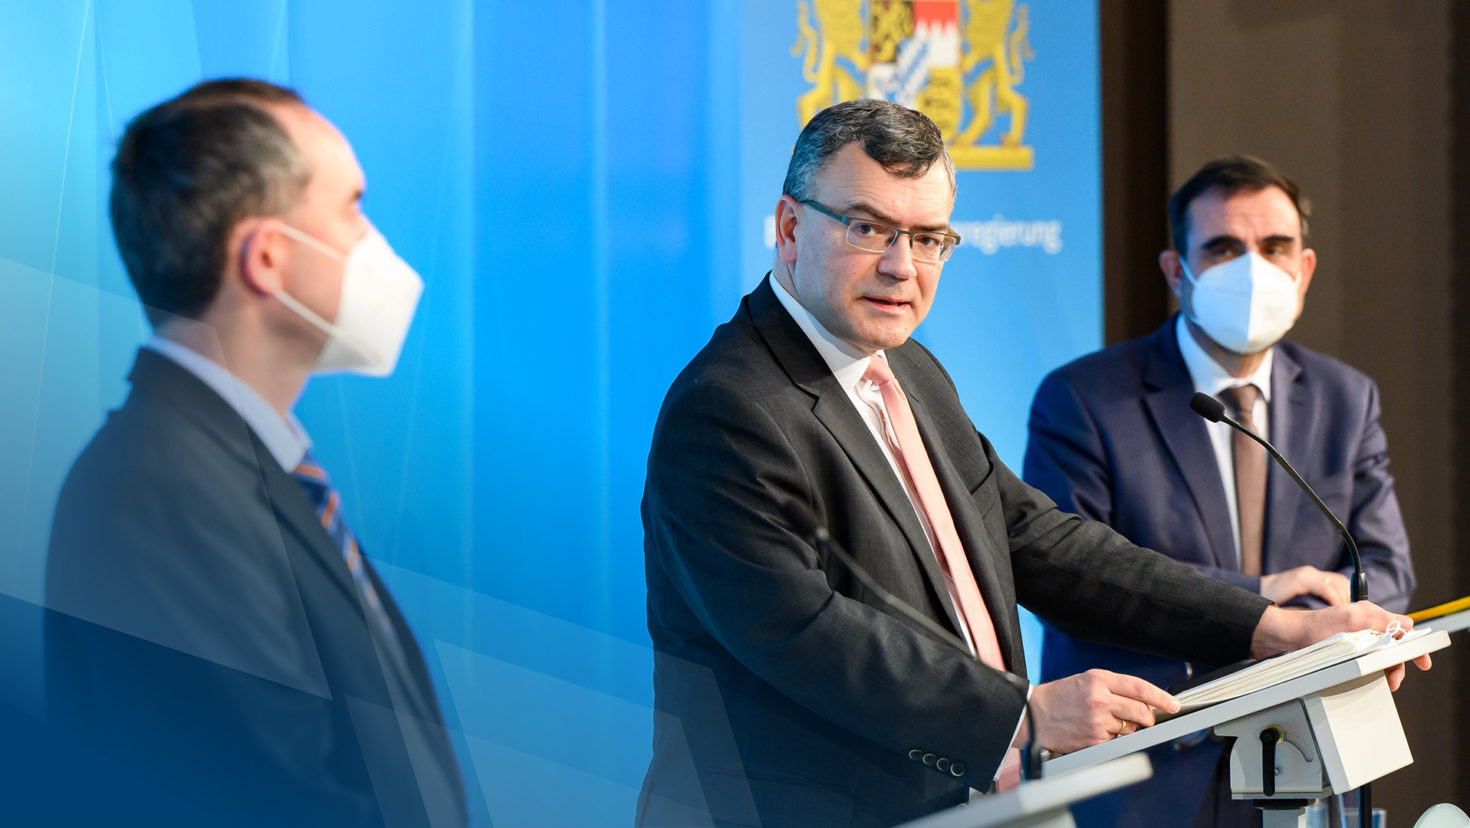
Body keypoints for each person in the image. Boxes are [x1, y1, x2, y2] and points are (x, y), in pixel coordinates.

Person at [637, 102, 1423, 828]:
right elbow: (800, 633)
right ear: (788, 227)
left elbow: (1041, 544)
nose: (901, 267)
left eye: (928, 237)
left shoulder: (912, 371)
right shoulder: (729, 405)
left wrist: (1274, 629)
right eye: (868, 228)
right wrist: (1022, 713)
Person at [44, 79, 466, 827]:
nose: (374, 243)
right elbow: (270, 796)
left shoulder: (240, 465)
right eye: (352, 208)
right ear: (268, 258)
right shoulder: (161, 491)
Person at [1024, 155, 1415, 827]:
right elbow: (1075, 584)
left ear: (1305, 270)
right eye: (1225, 248)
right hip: (1143, 775)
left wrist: (1339, 618)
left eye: (1275, 248)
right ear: (1178, 271)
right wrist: (1270, 606)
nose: (1253, 270)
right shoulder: (1084, 398)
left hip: (1305, 768)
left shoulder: (1345, 398)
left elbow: (1385, 571)